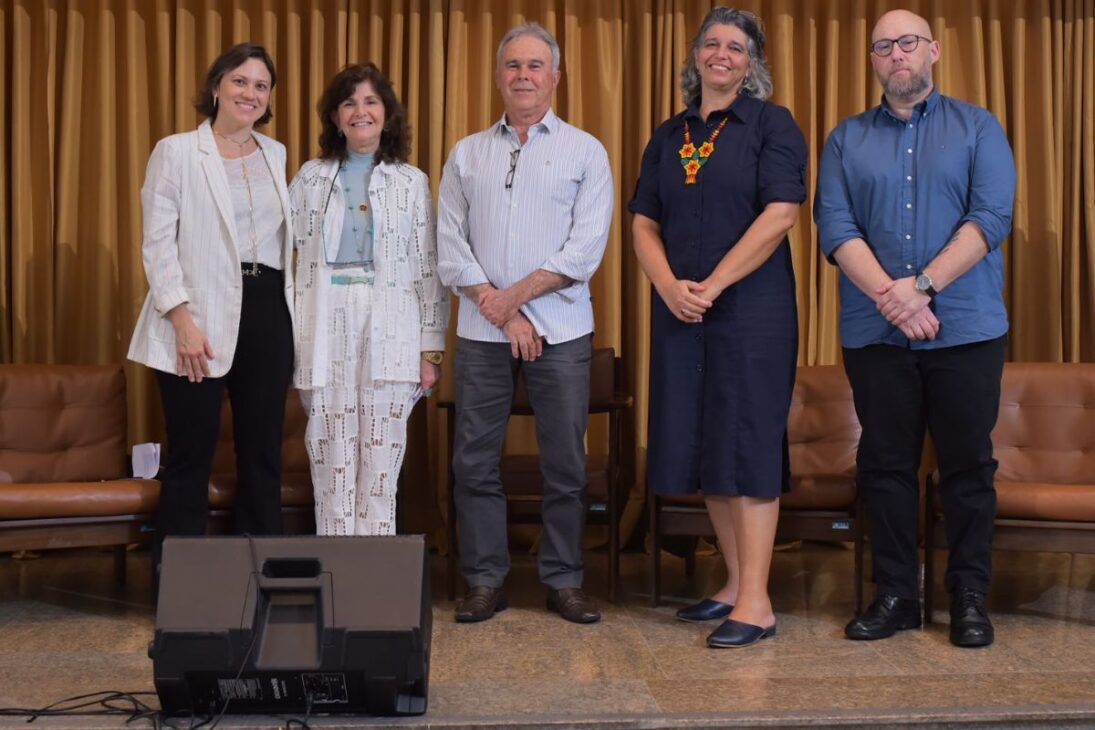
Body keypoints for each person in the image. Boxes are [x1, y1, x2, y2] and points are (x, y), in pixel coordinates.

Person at [815, 9, 1016, 648]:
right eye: (883, 45)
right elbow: (836, 228)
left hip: (967, 328)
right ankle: (897, 595)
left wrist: (921, 287)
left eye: (907, 42)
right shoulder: (845, 139)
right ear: (873, 59)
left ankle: (967, 598)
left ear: (931, 50)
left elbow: (991, 216)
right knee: (886, 466)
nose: (896, 53)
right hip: (876, 334)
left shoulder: (978, 126)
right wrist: (892, 298)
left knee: (967, 468)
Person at [630, 7, 806, 649]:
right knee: (705, 444)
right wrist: (669, 286)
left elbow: (781, 215)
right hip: (681, 311)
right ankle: (733, 584)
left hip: (749, 314)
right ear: (695, 56)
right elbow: (643, 222)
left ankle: (757, 604)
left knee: (748, 444)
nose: (722, 54)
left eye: (736, 47)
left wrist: (713, 284)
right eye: (712, 44)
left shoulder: (772, 125)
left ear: (752, 62)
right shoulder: (669, 134)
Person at [437, 23, 613, 624]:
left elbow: (583, 251)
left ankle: (563, 580)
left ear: (555, 78)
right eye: (512, 65)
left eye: (535, 66)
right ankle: (485, 579)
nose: (523, 75)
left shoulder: (586, 152)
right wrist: (498, 306)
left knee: (565, 462)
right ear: (498, 76)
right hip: (483, 334)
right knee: (473, 462)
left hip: (561, 331)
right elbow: (449, 246)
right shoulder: (466, 153)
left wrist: (513, 301)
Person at [128, 43, 295, 581]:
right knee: (190, 455)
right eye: (241, 81)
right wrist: (181, 320)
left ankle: (260, 579)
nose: (251, 93)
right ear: (218, 85)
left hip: (266, 310)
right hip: (195, 317)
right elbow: (157, 243)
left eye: (262, 86)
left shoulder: (278, 154)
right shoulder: (176, 151)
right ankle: (180, 591)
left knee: (262, 455)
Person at [288, 63, 448, 536]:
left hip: (393, 328)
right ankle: (336, 579)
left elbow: (429, 269)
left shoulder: (411, 183)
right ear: (336, 118)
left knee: (380, 465)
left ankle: (374, 585)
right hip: (324, 324)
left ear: (387, 114)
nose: (361, 111)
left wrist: (430, 349)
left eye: (371, 101)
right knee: (331, 454)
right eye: (349, 103)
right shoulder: (311, 179)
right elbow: (284, 255)